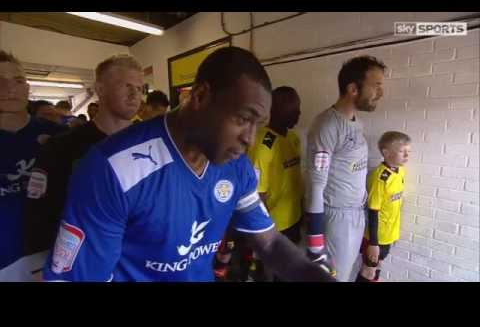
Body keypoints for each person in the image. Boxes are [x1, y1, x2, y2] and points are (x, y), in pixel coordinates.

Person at [41, 47, 336, 282]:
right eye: (243, 118)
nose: (249, 138)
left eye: (257, 125)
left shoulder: (235, 165)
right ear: (200, 96)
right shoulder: (113, 168)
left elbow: (269, 243)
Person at [24, 54, 144, 279]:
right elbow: (40, 213)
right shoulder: (62, 147)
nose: (134, 95)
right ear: (101, 88)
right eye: (125, 86)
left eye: (139, 88)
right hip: (84, 263)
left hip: (137, 262)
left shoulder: (148, 145)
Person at [305, 55, 385, 281]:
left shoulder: (355, 121)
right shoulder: (327, 125)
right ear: (353, 89)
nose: (381, 93)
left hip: (356, 213)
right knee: (332, 278)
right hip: (336, 218)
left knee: (346, 273)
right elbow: (315, 184)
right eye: (376, 85)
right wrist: (315, 237)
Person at [215, 86, 304, 281]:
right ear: (277, 111)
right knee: (266, 274)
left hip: (293, 219)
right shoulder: (264, 145)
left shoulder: (293, 139)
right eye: (293, 109)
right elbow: (256, 193)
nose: (299, 113)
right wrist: (257, 238)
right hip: (271, 227)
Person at [0, 50, 66, 281]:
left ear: (28, 88)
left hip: (54, 254)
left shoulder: (59, 137)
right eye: (0, 81)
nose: (9, 89)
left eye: (17, 81)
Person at [356, 131, 411, 282]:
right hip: (376, 237)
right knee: (368, 272)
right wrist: (373, 243)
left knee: (377, 267)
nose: (406, 155)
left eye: (408, 151)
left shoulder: (400, 171)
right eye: (401, 151)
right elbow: (373, 211)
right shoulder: (380, 178)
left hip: (388, 235)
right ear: (386, 153)